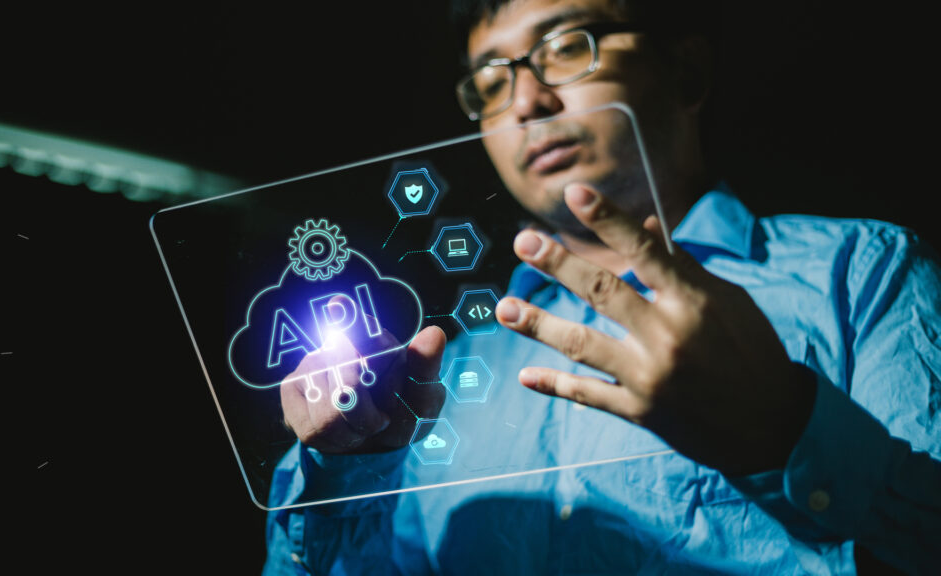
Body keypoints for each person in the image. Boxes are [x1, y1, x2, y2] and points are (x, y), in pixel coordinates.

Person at [264, 0, 941, 573]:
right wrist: (345, 469)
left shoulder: (860, 270)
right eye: (491, 83)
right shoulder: (449, 378)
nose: (526, 99)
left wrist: (784, 433)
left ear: (686, 70)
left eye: (564, 46)